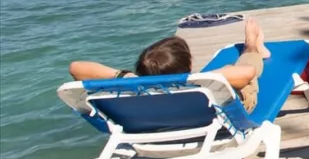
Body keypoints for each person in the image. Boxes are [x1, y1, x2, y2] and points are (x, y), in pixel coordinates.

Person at [69, 17, 271, 113]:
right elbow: (248, 72)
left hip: (155, 121)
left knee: (231, 74)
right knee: (245, 76)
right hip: (213, 116)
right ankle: (252, 45)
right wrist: (213, 75)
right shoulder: (201, 85)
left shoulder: (139, 90)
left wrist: (125, 77)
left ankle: (251, 47)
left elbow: (76, 67)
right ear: (190, 64)